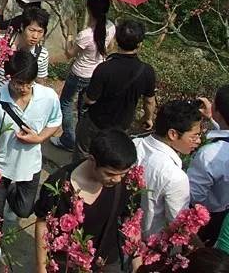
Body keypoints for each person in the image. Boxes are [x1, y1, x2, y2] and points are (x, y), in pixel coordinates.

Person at [0, 50, 62, 262]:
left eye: (28, 83)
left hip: (30, 164)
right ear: (9, 77)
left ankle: (12, 195)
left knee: (23, 210)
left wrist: (39, 138)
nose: (23, 88)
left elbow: (55, 121)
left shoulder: (47, 97)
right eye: (18, 82)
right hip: (0, 163)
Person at [35, 129, 138, 273]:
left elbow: (131, 219)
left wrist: (137, 262)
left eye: (122, 174)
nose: (117, 179)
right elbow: (43, 223)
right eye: (109, 173)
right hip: (66, 263)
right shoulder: (59, 185)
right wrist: (41, 266)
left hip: (107, 260)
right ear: (92, 160)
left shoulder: (126, 184)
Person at [74, 19, 156, 162]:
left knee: (83, 154)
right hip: (121, 126)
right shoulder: (147, 71)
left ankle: (76, 179)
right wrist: (148, 118)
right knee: (108, 160)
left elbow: (90, 99)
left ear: (117, 40)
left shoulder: (104, 68)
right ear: (140, 44)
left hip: (96, 121)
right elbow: (149, 101)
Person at [52, 0, 114, 152]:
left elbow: (69, 53)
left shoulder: (86, 35)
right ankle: (82, 138)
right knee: (84, 107)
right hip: (96, 74)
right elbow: (110, 47)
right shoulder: (111, 27)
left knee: (65, 103)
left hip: (79, 74)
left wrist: (70, 32)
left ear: (89, 9)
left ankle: (68, 139)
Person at [133, 99, 203, 238]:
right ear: (173, 134)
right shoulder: (175, 176)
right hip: (154, 244)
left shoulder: (134, 145)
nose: (199, 141)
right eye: (194, 136)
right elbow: (177, 224)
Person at [188, 85, 229, 245]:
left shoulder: (209, 155)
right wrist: (212, 118)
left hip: (206, 220)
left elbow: (194, 196)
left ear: (217, 110)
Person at [0, 6, 50, 89]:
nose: (35, 36)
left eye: (40, 32)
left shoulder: (42, 54)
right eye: (31, 30)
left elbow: (40, 83)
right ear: (22, 27)